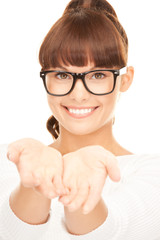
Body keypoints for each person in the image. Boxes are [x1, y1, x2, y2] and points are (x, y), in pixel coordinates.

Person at [0, 0, 160, 239]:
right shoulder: (11, 161)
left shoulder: (150, 172)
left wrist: (82, 188)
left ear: (125, 80)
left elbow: (116, 230)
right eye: (63, 74)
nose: (78, 95)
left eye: (97, 75)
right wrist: (34, 185)